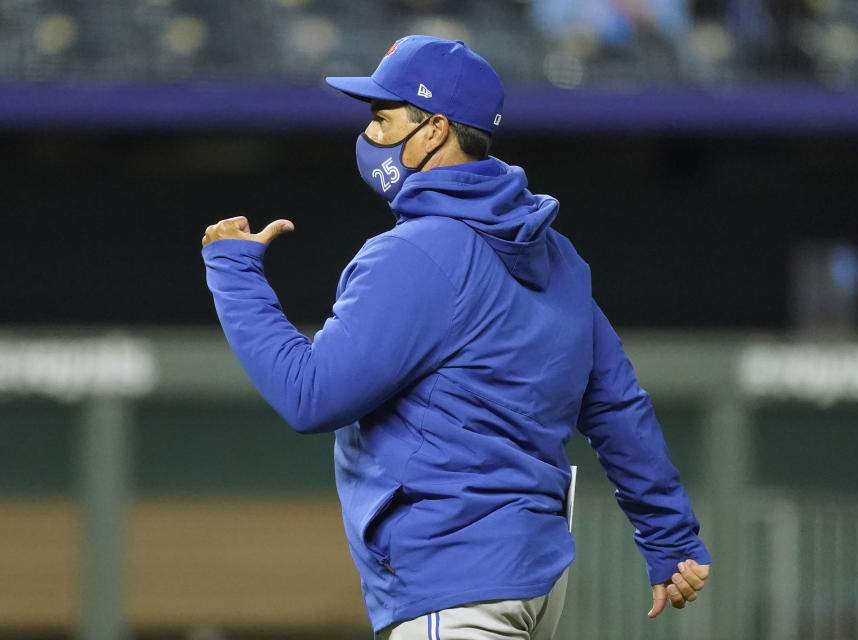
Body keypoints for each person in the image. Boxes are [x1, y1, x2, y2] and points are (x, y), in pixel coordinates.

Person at [201, 35, 710, 640]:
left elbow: (311, 395)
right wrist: (670, 538)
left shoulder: (417, 252)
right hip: (532, 581)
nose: (370, 137)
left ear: (435, 129)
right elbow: (615, 406)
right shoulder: (556, 254)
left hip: (455, 580)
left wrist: (235, 275)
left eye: (382, 118)